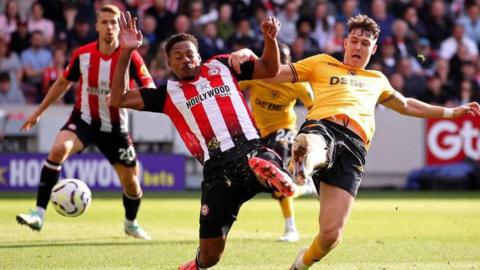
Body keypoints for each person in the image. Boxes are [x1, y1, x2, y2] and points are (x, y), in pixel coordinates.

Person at [231, 14, 480, 270]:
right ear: (345, 43)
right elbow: (272, 72)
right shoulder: (321, 63)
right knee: (315, 142)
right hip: (323, 127)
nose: (358, 47)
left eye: (364, 43)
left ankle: (300, 263)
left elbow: (406, 105)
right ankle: (303, 162)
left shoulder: (378, 80)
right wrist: (258, 47)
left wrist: (451, 112)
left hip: (355, 149)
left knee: (331, 236)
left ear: (373, 49)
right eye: (354, 41)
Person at [110, 12, 294, 269]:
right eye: (178, 57)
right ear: (169, 63)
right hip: (217, 170)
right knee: (210, 257)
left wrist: (269, 39)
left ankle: (278, 175)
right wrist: (126, 52)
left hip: (249, 148)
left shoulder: (223, 65)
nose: (185, 60)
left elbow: (270, 69)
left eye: (190, 54)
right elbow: (118, 99)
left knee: (263, 159)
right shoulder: (166, 94)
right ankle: (195, 263)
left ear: (199, 55)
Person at [16, 4, 155, 240]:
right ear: (97, 25)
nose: (110, 27)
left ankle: (130, 223)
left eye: (114, 22)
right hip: (84, 120)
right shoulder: (83, 54)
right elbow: (62, 83)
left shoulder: (130, 54)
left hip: (115, 129)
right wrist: (38, 111)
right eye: (105, 22)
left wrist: (125, 97)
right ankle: (38, 214)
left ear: (119, 26)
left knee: (132, 183)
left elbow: (150, 88)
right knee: (59, 148)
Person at [238, 43, 315, 242]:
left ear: (290, 62)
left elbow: (315, 108)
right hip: (257, 133)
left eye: (285, 60)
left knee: (275, 167)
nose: (280, 64)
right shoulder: (256, 76)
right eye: (276, 59)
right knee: (274, 184)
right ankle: (303, 187)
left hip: (284, 130)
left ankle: (292, 227)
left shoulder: (297, 82)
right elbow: (232, 89)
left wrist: (312, 134)